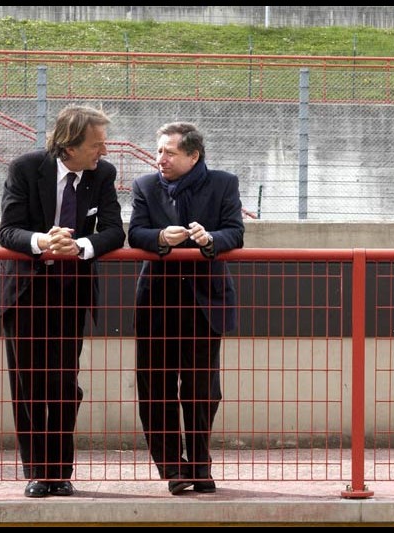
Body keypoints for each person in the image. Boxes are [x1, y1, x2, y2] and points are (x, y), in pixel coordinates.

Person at [0, 104, 126, 498]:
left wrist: (80, 246)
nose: (103, 152)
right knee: (29, 385)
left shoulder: (103, 174)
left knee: (65, 385)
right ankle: (36, 471)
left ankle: (60, 470)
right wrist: (42, 242)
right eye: (96, 145)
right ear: (69, 144)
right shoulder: (25, 168)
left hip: (71, 294)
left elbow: (115, 231)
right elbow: (7, 230)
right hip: (27, 293)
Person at [128, 122, 244, 495]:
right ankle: (172, 468)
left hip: (203, 301)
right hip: (158, 301)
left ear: (193, 156)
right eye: (159, 150)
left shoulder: (224, 183)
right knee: (156, 387)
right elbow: (135, 233)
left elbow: (235, 231)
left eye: (169, 152)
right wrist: (161, 238)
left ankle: (199, 463)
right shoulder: (145, 186)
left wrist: (210, 240)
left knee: (201, 389)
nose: (160, 158)